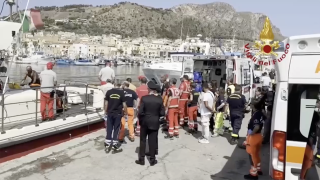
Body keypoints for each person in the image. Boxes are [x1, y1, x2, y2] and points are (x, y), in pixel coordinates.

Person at [135, 81, 165, 166]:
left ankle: (141, 160)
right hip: (155, 121)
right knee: (152, 141)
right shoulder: (159, 99)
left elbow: (140, 112)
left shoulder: (144, 98)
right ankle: (152, 160)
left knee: (143, 140)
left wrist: (141, 120)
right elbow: (162, 112)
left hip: (145, 121)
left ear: (149, 89)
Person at [104, 82, 127, 153]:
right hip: (118, 114)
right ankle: (114, 145)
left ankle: (107, 144)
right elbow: (124, 105)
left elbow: (106, 103)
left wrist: (105, 111)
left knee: (109, 128)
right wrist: (125, 113)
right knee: (116, 129)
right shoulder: (122, 93)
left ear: (114, 85)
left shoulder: (109, 92)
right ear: (120, 86)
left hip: (110, 113)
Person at [244, 99, 264, 180]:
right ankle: (258, 169)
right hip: (259, 136)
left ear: (253, 106)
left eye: (251, 104)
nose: (250, 105)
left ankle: (253, 174)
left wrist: (251, 133)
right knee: (256, 154)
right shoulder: (260, 113)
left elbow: (257, 126)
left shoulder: (256, 115)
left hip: (254, 137)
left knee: (252, 156)